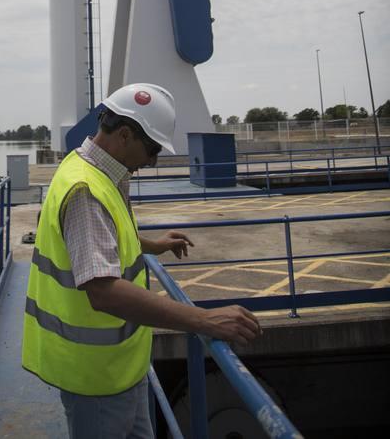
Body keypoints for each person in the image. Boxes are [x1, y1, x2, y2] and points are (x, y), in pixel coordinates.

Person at [22, 83, 261, 439]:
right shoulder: (87, 189)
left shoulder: (88, 165)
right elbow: (103, 292)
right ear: (124, 135)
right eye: (151, 149)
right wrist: (204, 319)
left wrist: (152, 245)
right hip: (96, 377)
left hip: (122, 368)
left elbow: (102, 239)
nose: (152, 160)